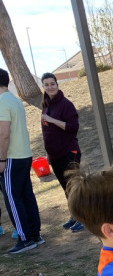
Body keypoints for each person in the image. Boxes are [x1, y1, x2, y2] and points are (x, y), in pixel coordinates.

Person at [0, 68, 43, 254]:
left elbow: (3, 134)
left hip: (11, 157)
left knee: (12, 198)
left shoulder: (2, 102)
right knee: (26, 195)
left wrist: (1, 159)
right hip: (24, 155)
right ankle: (35, 234)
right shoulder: (14, 100)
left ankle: (25, 239)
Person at [40, 72, 84, 232]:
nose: (50, 87)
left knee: (75, 187)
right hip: (54, 154)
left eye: (52, 84)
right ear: (43, 87)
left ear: (57, 85)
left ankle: (84, 218)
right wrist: (48, 154)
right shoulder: (46, 105)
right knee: (66, 188)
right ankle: (75, 215)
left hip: (68, 151)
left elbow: (73, 127)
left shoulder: (66, 104)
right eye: (46, 85)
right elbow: (47, 132)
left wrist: (52, 120)